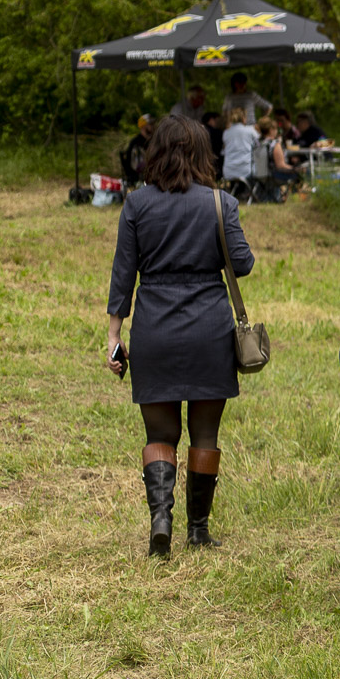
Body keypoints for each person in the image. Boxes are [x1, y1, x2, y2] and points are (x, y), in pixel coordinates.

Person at [104, 115, 255, 557]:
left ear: (155, 153)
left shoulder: (136, 205)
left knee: (160, 433)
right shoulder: (219, 202)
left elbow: (122, 276)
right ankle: (199, 529)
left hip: (154, 329)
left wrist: (114, 335)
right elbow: (242, 264)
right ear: (202, 154)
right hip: (209, 330)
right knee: (204, 434)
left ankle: (160, 520)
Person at [220, 108, 257, 190]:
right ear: (244, 118)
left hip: (229, 170)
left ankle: (237, 192)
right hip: (246, 170)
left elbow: (224, 151)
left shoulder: (226, 132)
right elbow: (259, 146)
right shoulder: (250, 131)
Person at [118, 114, 156, 185]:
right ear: (143, 126)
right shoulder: (136, 143)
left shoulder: (153, 141)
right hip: (139, 182)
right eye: (150, 124)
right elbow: (137, 166)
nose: (153, 126)